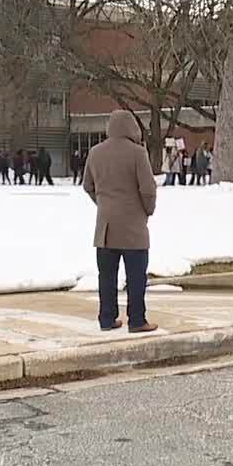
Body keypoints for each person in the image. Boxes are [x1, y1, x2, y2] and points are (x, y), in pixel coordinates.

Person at [82, 109, 158, 334]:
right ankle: (136, 320)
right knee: (136, 277)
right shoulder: (137, 153)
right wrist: (147, 210)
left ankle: (107, 318)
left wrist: (103, 203)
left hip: (105, 228)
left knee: (106, 276)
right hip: (133, 227)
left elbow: (88, 185)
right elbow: (147, 189)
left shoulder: (95, 152)